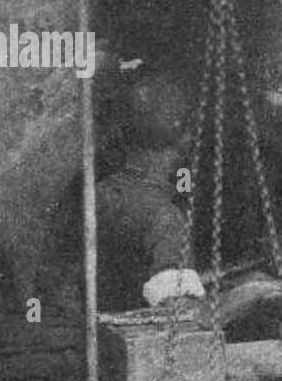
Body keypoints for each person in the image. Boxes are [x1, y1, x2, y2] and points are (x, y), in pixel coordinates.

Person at [36, 70, 205, 318]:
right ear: (184, 140)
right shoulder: (164, 219)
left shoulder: (94, 197)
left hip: (72, 335)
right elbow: (181, 318)